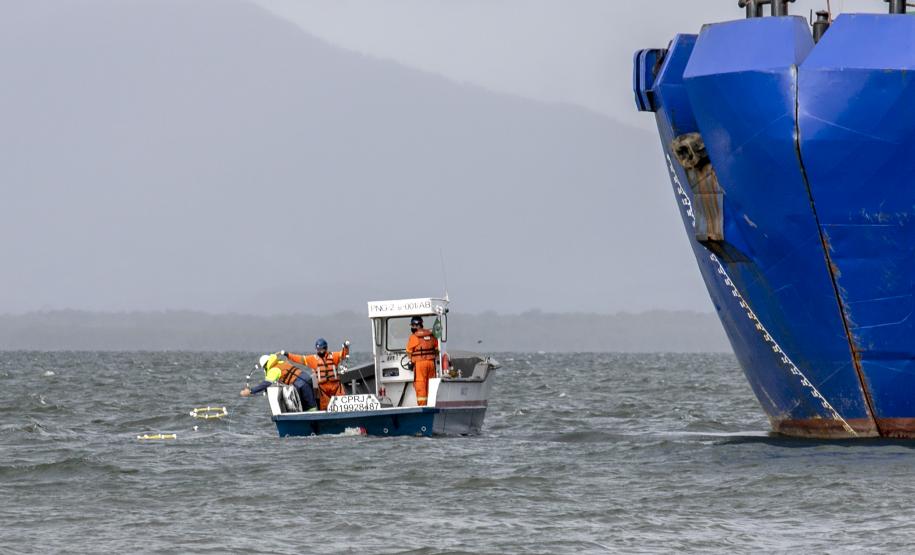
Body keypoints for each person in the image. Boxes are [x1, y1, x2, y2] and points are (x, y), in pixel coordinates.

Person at [285, 338, 350, 411]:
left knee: (343, 405)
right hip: (323, 390)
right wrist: (288, 355)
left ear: (326, 348)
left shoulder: (333, 356)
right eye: (318, 350)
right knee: (325, 408)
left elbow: (343, 354)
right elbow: (301, 359)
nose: (320, 351)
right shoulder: (313, 359)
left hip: (336, 387)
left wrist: (346, 347)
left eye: (322, 349)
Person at [239, 353, 317, 411]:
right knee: (312, 404)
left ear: (265, 366)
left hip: (301, 384)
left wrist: (250, 391)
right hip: (307, 378)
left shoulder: (273, 370)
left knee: (310, 408)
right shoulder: (280, 362)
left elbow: (265, 384)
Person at [406, 316, 439, 406]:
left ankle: (422, 405)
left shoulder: (414, 337)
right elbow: (436, 350)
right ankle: (432, 404)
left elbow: (409, 351)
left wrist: (411, 361)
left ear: (417, 325)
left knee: (420, 384)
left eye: (413, 325)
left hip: (420, 364)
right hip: (431, 363)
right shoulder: (431, 335)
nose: (412, 328)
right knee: (430, 383)